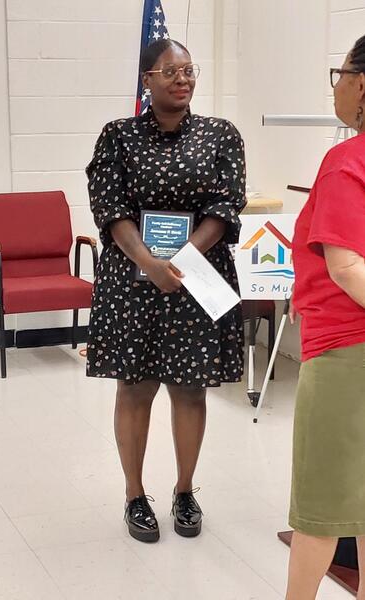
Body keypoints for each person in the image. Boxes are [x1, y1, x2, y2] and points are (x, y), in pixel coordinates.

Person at [86, 39, 246, 543]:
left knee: (189, 387)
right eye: (171, 71)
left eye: (190, 70)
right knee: (134, 387)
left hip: (196, 278)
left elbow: (226, 204)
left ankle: (183, 491)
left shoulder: (221, 135)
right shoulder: (118, 137)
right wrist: (150, 263)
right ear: (147, 80)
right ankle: (135, 494)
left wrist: (180, 260)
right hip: (133, 281)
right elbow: (110, 208)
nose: (183, 79)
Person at [286, 34, 365, 599]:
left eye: (338, 73)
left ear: (361, 84)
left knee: (321, 502)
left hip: (345, 352)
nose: (336, 85)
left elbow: (346, 269)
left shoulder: (346, 162)